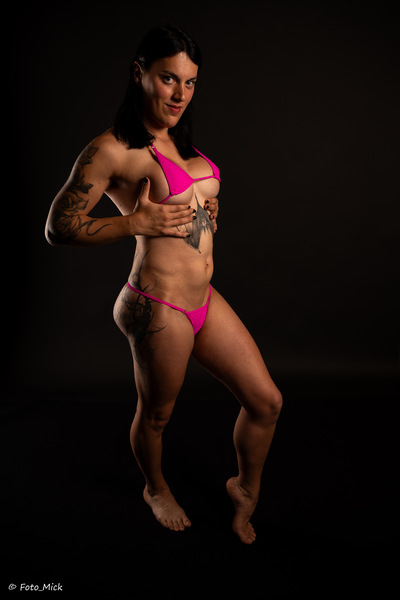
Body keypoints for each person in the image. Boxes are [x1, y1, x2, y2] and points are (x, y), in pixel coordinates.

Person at [45, 25, 282, 545]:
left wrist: (206, 210)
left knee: (266, 402)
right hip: (158, 304)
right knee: (156, 416)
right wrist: (134, 222)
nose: (180, 94)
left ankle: (244, 489)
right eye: (168, 78)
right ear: (140, 74)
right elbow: (58, 227)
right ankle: (155, 488)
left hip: (202, 298)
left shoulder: (178, 141)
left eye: (190, 82)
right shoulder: (111, 148)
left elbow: (187, 207)